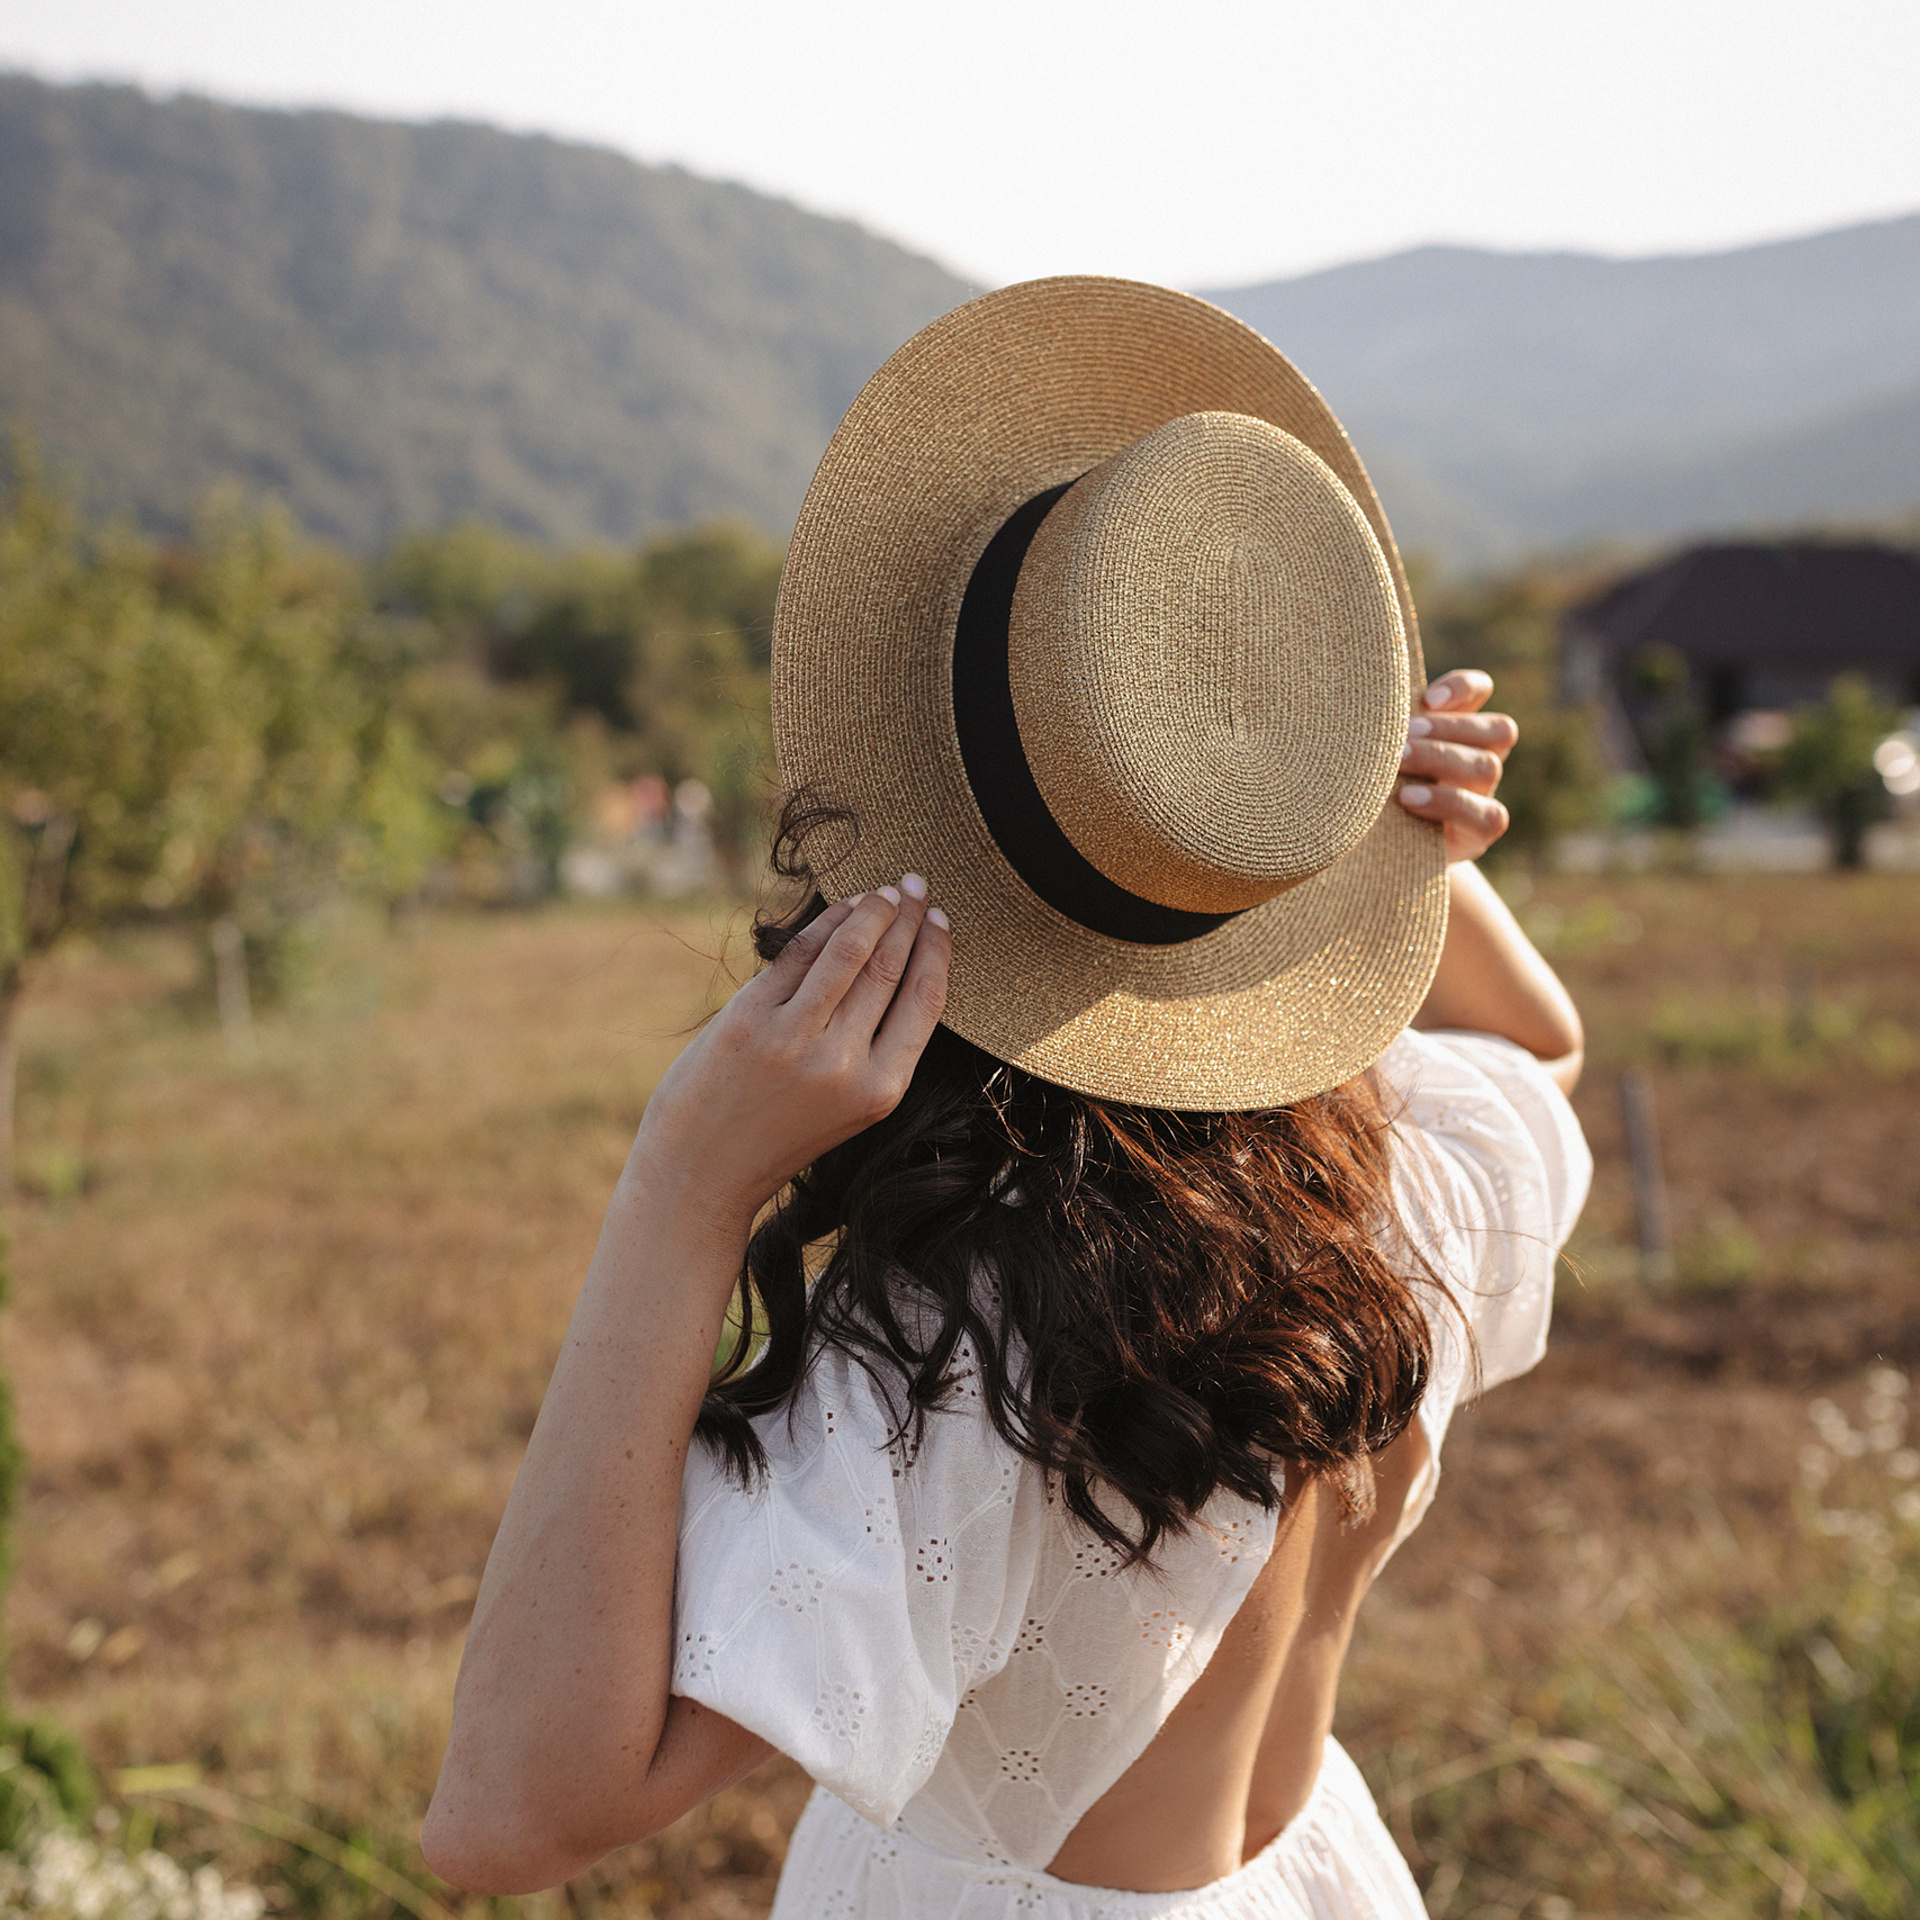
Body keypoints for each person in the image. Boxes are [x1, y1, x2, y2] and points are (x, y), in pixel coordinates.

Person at [422, 278, 1591, 1918]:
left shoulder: (978, 1348)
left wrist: (683, 1185)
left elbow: (508, 1821)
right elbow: (1541, 1059)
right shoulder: (1387, 1181)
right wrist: (1369, 851)